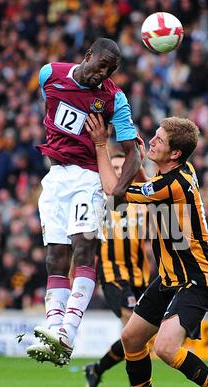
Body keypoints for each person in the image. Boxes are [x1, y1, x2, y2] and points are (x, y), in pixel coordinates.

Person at [85, 113, 208, 387]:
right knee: (132, 339)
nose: (152, 140)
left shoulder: (172, 184)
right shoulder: (179, 171)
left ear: (175, 153)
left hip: (198, 279)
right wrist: (136, 153)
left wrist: (99, 143)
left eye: (159, 140)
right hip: (169, 278)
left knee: (164, 347)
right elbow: (143, 184)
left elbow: (114, 190)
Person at [26, 38, 141, 366]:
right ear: (87, 55)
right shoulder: (49, 74)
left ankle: (69, 332)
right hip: (55, 178)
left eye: (109, 70)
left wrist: (117, 191)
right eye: (100, 65)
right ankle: (52, 331)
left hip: (88, 178)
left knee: (82, 250)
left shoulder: (114, 98)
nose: (102, 74)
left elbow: (134, 152)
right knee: (54, 257)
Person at [84, 152, 151, 387]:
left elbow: (153, 192)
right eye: (113, 167)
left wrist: (139, 163)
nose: (118, 172)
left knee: (140, 332)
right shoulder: (96, 200)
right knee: (132, 325)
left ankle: (97, 369)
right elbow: (83, 242)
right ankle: (137, 386)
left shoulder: (138, 200)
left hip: (139, 276)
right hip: (111, 274)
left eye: (123, 167)